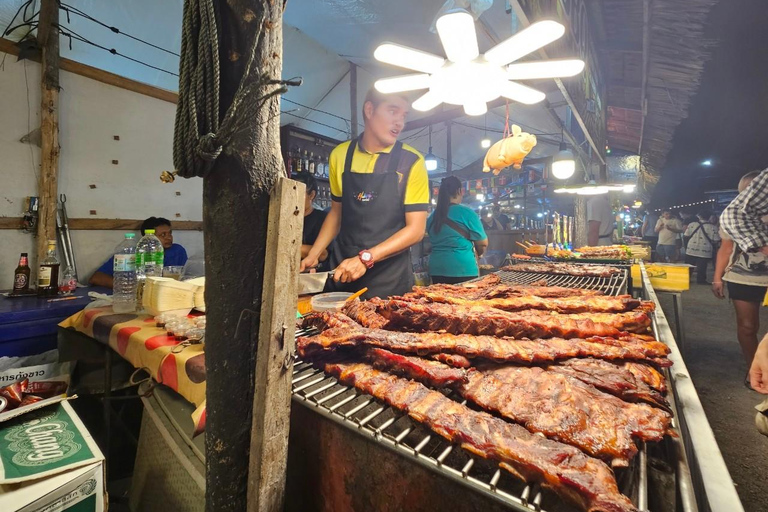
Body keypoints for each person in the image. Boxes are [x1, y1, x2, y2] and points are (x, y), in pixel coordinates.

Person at [299, 88, 429, 299]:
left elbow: (416, 229)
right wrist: (313, 254)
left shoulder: (411, 161)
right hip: (341, 271)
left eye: (404, 115)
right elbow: (336, 213)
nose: (400, 123)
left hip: (389, 278)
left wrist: (366, 258)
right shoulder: (340, 155)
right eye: (393, 111)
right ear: (369, 110)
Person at [715, 170, 768, 381]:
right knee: (748, 326)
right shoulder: (736, 215)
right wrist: (717, 277)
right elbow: (726, 249)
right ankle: (753, 367)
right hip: (743, 276)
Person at [89, 217, 188, 288]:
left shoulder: (178, 251)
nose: (169, 237)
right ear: (148, 237)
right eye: (163, 234)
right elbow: (96, 278)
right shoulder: (130, 254)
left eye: (170, 233)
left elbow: (187, 277)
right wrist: (129, 286)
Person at [426, 176, 488, 284]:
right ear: (459, 191)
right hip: (463, 268)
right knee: (464, 299)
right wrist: (480, 254)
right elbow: (482, 243)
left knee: (439, 299)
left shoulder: (432, 217)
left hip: (437, 268)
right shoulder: (467, 213)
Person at [292, 172, 329, 267]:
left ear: (311, 195)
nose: (293, 197)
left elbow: (323, 254)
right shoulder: (286, 217)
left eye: (298, 193)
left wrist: (287, 248)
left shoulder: (322, 219)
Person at [683, 209, 720, 284]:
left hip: (691, 248)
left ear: (699, 216)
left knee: (689, 265)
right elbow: (716, 239)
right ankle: (701, 280)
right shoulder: (713, 227)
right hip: (705, 250)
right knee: (702, 266)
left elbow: (686, 235)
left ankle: (686, 279)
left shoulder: (692, 224)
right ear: (709, 217)